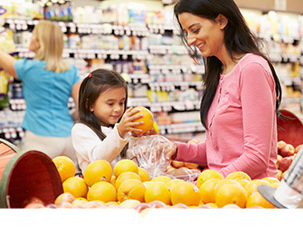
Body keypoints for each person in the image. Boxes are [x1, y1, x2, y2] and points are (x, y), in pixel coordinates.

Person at [162, 0, 283, 180]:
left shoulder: (251, 69)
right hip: (223, 191)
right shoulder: (219, 72)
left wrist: (208, 182)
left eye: (195, 30)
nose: (190, 40)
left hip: (249, 194)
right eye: (186, 33)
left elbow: (257, 157)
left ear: (221, 21)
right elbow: (219, 151)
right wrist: (178, 149)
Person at [0, 15, 81, 168]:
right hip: (68, 138)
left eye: (33, 34)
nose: (30, 37)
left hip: (40, 137)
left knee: (38, 185)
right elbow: (82, 107)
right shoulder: (71, 71)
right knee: (69, 186)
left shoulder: (28, 69)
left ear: (40, 42)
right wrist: (69, 117)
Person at [71, 69, 147, 173]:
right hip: (98, 188)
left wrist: (137, 139)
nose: (118, 109)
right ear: (90, 105)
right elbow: (98, 160)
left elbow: (130, 161)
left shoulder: (117, 128)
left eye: (121, 103)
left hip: (124, 186)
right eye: (110, 104)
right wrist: (120, 132)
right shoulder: (81, 130)